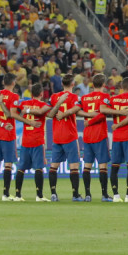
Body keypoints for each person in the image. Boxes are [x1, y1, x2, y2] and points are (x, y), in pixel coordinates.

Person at [47, 74, 83, 202]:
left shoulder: (53, 97)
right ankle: (75, 195)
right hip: (70, 136)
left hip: (57, 137)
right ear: (73, 84)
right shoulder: (75, 97)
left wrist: (59, 107)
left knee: (53, 167)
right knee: (74, 166)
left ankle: (53, 193)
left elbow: (50, 114)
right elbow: (78, 108)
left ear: (62, 84)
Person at [0, 75, 26, 200]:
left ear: (2, 82)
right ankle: (5, 194)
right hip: (8, 133)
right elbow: (10, 114)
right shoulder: (14, 96)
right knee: (8, 164)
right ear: (14, 83)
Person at [78, 73, 113, 202]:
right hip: (99, 135)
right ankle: (104, 195)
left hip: (87, 136)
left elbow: (77, 110)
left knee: (87, 166)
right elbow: (103, 114)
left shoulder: (85, 97)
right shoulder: (105, 96)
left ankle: (87, 194)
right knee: (102, 166)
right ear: (104, 85)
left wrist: (87, 117)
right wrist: (91, 120)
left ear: (92, 84)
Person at [105, 77, 128, 202]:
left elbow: (103, 110)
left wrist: (116, 112)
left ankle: (116, 196)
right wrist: (119, 123)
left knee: (115, 166)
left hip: (117, 138)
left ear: (121, 87)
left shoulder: (113, 99)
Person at [16, 94, 51, 202]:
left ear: (31, 95)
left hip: (25, 140)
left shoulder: (23, 104)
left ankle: (17, 195)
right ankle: (39, 196)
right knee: (39, 168)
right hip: (37, 140)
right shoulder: (42, 105)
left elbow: (16, 113)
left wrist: (25, 111)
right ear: (41, 94)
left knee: (21, 168)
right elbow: (45, 112)